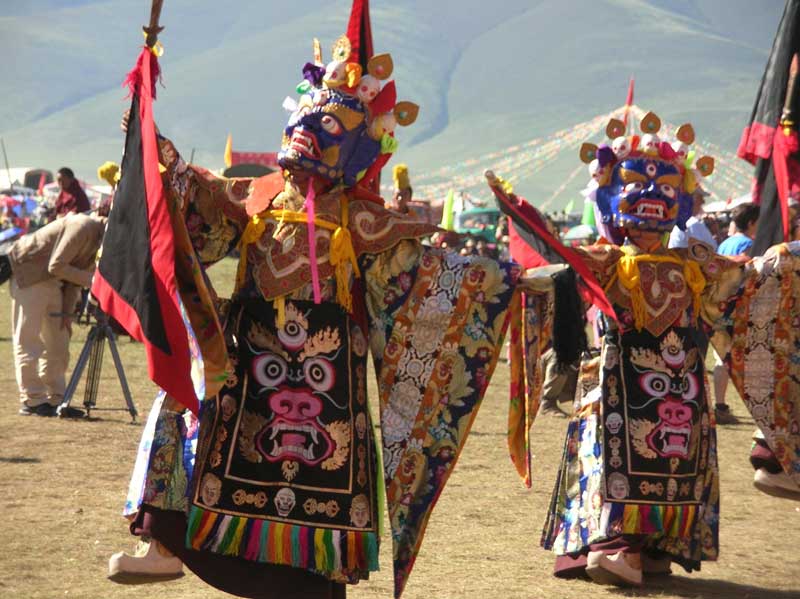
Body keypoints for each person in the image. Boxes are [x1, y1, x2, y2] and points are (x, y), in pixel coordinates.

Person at [106, 26, 532, 599]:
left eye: (329, 124)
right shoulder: (257, 195)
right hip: (249, 357)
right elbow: (196, 205)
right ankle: (163, 542)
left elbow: (424, 272)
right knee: (180, 406)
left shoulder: (360, 219)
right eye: (307, 116)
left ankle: (316, 569)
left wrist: (510, 280)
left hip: (326, 370)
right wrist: (150, 141)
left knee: (318, 469)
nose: (309, 128)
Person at [503, 111, 800, 588]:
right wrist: (525, 223)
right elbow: (558, 264)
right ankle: (618, 544)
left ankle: (659, 546)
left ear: (680, 200)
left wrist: (784, 261)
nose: (650, 200)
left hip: (680, 389)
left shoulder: (697, 262)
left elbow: (743, 281)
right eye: (636, 187)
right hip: (619, 384)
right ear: (609, 197)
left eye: (664, 190)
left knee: (673, 461)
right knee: (617, 457)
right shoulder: (606, 260)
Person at [7, 212, 106, 416]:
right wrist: (94, 281)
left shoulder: (99, 241)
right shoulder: (82, 225)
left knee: (59, 343)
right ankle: (32, 399)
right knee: (29, 341)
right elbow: (57, 264)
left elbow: (73, 280)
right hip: (29, 277)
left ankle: (58, 399)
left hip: (53, 282)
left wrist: (67, 315)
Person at [710, 202, 760, 424]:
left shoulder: (724, 244)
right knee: (743, 362)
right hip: (739, 309)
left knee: (720, 358)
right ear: (751, 223)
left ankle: (720, 404)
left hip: (718, 308)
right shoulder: (750, 246)